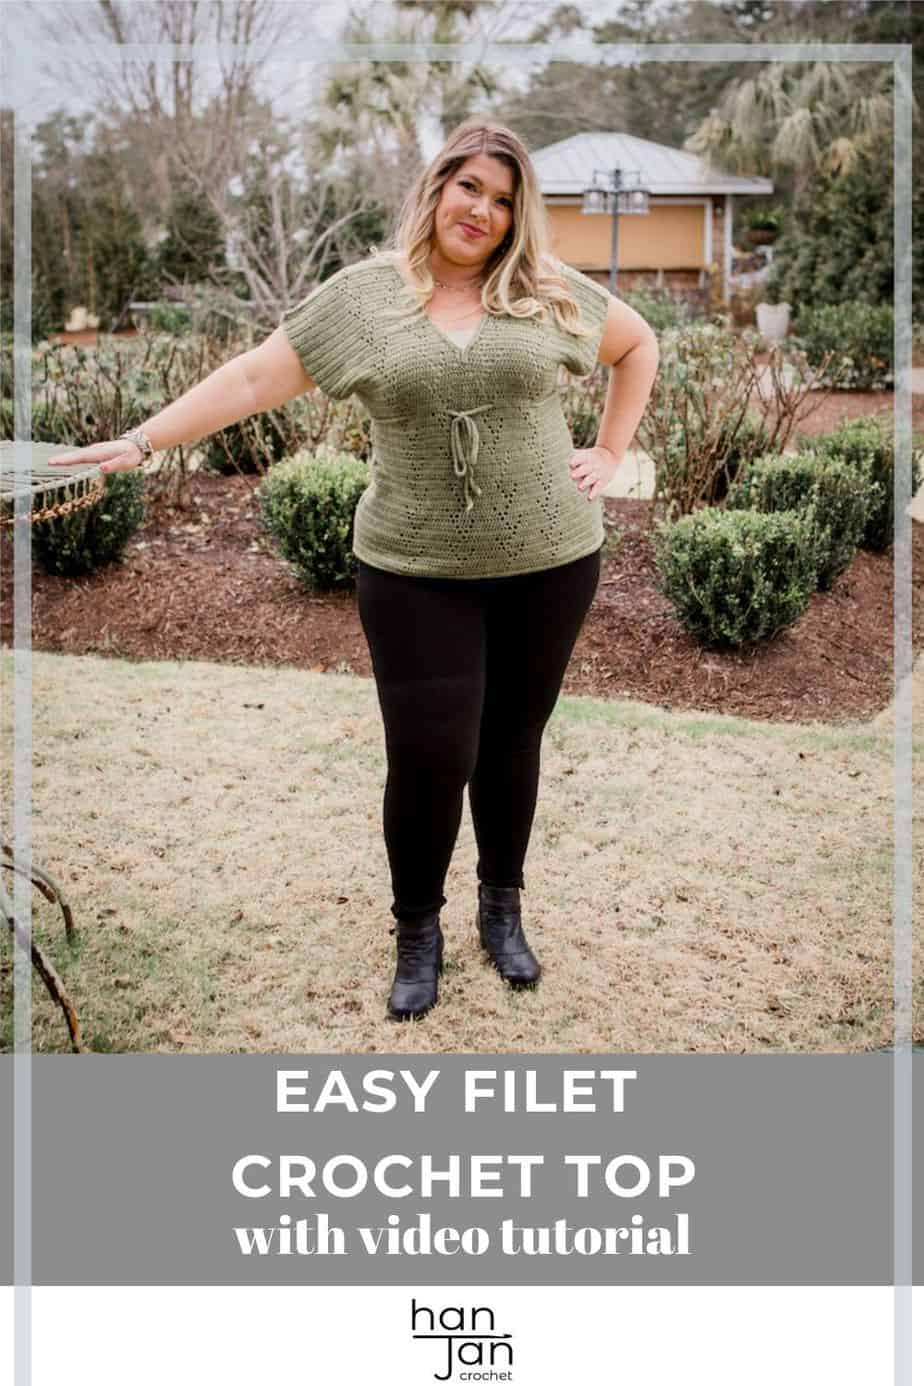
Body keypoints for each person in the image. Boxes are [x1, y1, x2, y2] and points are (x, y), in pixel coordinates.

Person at [51, 119, 660, 1023]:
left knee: (511, 742)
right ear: (436, 188)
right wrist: (141, 442)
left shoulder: (543, 291)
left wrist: (610, 452)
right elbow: (256, 380)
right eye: (469, 189)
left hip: (549, 561)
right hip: (414, 568)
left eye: (503, 199)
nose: (483, 212)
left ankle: (503, 906)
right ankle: (418, 929)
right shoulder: (366, 298)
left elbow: (637, 344)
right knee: (429, 754)